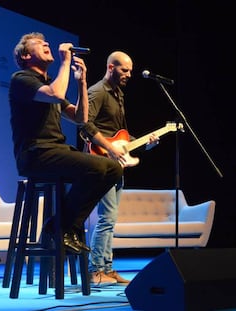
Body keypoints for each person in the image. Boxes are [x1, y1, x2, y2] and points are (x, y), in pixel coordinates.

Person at [9, 32, 123, 255]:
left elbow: (80, 118)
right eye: (40, 44)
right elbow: (55, 94)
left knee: (113, 169)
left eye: (46, 42)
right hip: (36, 154)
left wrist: (81, 82)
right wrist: (65, 61)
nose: (47, 44)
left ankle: (62, 227)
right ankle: (60, 228)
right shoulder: (22, 79)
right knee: (101, 167)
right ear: (25, 55)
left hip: (56, 151)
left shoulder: (49, 83)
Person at [80, 51, 159, 286]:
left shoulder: (117, 95)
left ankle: (107, 268)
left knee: (110, 219)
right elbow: (85, 126)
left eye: (130, 70)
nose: (129, 74)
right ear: (111, 67)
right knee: (106, 218)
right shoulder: (97, 92)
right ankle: (96, 270)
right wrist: (110, 149)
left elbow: (120, 137)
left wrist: (146, 144)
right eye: (125, 70)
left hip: (115, 164)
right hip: (101, 162)